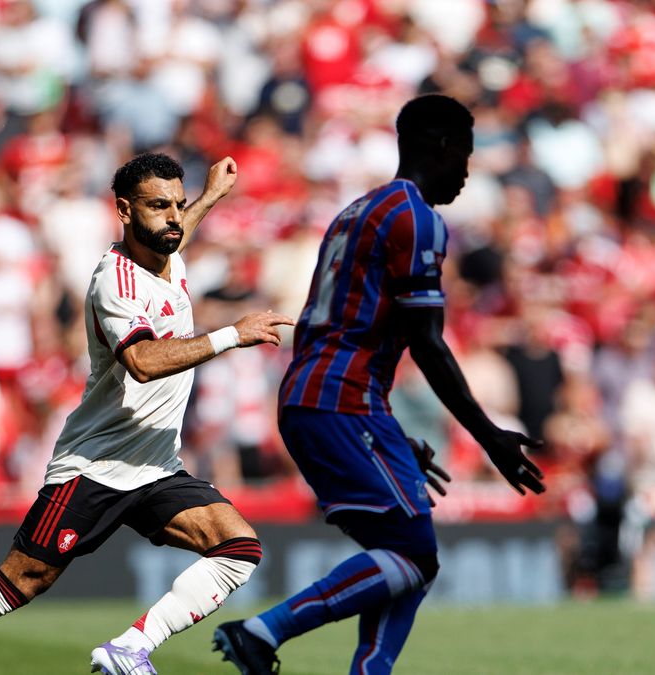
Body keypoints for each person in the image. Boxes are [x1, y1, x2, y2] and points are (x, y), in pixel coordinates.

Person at [0, 153, 294, 675]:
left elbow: (175, 230)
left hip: (156, 466)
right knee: (20, 581)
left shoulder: (170, 251)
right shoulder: (114, 282)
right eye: (158, 206)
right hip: (94, 468)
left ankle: (130, 648)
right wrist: (233, 334)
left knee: (238, 548)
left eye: (177, 206)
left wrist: (210, 197)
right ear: (124, 210)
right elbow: (142, 362)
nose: (172, 218)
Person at [213, 94, 547, 675]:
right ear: (439, 147)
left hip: (320, 397)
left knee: (411, 557)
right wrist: (489, 433)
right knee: (413, 555)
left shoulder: (356, 211)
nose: (467, 173)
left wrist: (389, 433)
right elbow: (427, 341)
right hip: (340, 401)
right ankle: (262, 632)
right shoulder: (416, 218)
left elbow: (342, 320)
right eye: (463, 157)